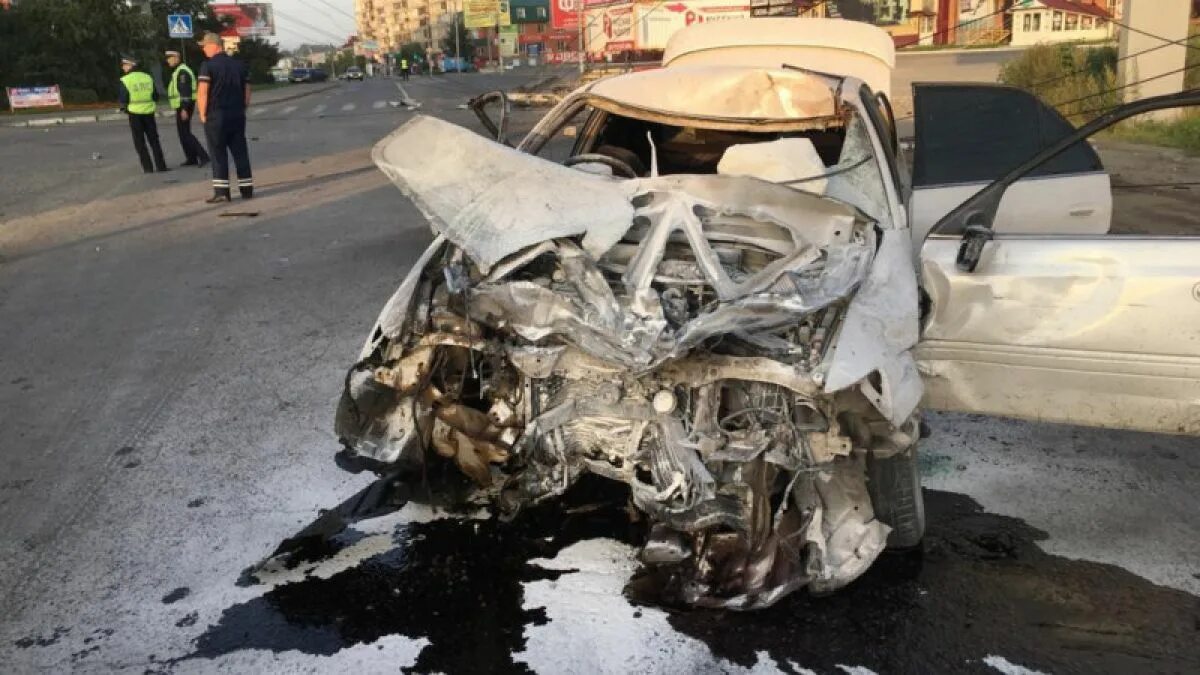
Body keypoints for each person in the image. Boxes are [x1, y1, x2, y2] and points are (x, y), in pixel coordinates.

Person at [195, 32, 252, 203]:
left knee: (218, 153)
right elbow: (247, 91)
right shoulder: (239, 65)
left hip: (216, 115)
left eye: (205, 46)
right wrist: (243, 108)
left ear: (214, 45)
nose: (203, 49)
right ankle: (246, 189)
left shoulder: (208, 66)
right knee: (240, 152)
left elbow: (203, 92)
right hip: (237, 114)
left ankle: (222, 192)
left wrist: (203, 114)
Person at [118, 56, 168, 174]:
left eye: (125, 65)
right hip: (149, 113)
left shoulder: (125, 80)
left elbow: (124, 98)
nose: (123, 67)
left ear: (131, 66)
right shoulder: (148, 77)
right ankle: (161, 166)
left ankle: (148, 168)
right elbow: (155, 96)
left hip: (135, 114)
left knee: (140, 142)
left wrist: (125, 108)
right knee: (154, 140)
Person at [165, 50, 210, 168]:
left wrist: (184, 108)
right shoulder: (179, 71)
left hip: (184, 105)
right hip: (181, 105)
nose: (168, 60)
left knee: (185, 133)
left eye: (170, 58)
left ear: (177, 58)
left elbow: (185, 91)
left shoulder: (182, 72)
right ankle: (191, 158)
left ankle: (203, 156)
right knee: (182, 133)